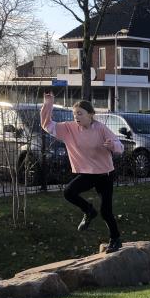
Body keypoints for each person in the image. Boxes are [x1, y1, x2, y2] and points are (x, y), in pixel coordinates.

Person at [40, 94, 124, 253]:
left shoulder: (100, 128)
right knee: (69, 192)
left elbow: (120, 146)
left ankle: (115, 239)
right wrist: (48, 104)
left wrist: (112, 145)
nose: (76, 117)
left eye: (80, 113)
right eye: (74, 114)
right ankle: (89, 210)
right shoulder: (68, 128)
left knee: (106, 211)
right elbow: (47, 124)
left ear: (90, 114)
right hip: (88, 173)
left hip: (105, 174)